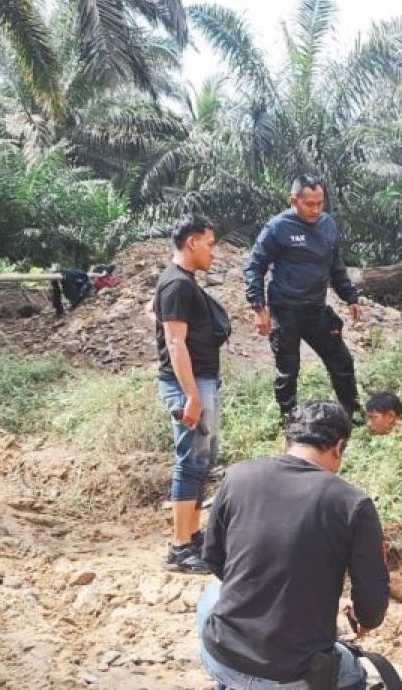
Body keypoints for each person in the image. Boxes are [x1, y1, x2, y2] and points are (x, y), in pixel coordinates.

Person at [197, 400, 390, 689]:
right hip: (293, 676)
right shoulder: (352, 504)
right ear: (339, 448)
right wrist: (362, 616)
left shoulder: (238, 476)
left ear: (286, 440)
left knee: (212, 595)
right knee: (352, 671)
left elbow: (213, 558)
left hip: (223, 657)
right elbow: (372, 607)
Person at [245, 175, 362, 420]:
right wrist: (259, 308)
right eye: (309, 204)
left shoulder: (327, 225)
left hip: (316, 309)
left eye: (320, 203)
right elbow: (255, 266)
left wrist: (350, 296)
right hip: (285, 310)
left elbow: (336, 265)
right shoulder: (278, 227)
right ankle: (288, 419)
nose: (316, 209)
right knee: (288, 370)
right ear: (293, 200)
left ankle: (351, 413)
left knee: (341, 361)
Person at [153, 213, 224, 574]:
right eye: (210, 244)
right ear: (193, 242)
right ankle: (179, 547)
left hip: (201, 382)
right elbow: (175, 343)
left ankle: (192, 536)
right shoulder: (176, 285)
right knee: (190, 462)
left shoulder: (185, 282)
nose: (213, 252)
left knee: (201, 462)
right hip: (189, 386)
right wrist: (192, 397)